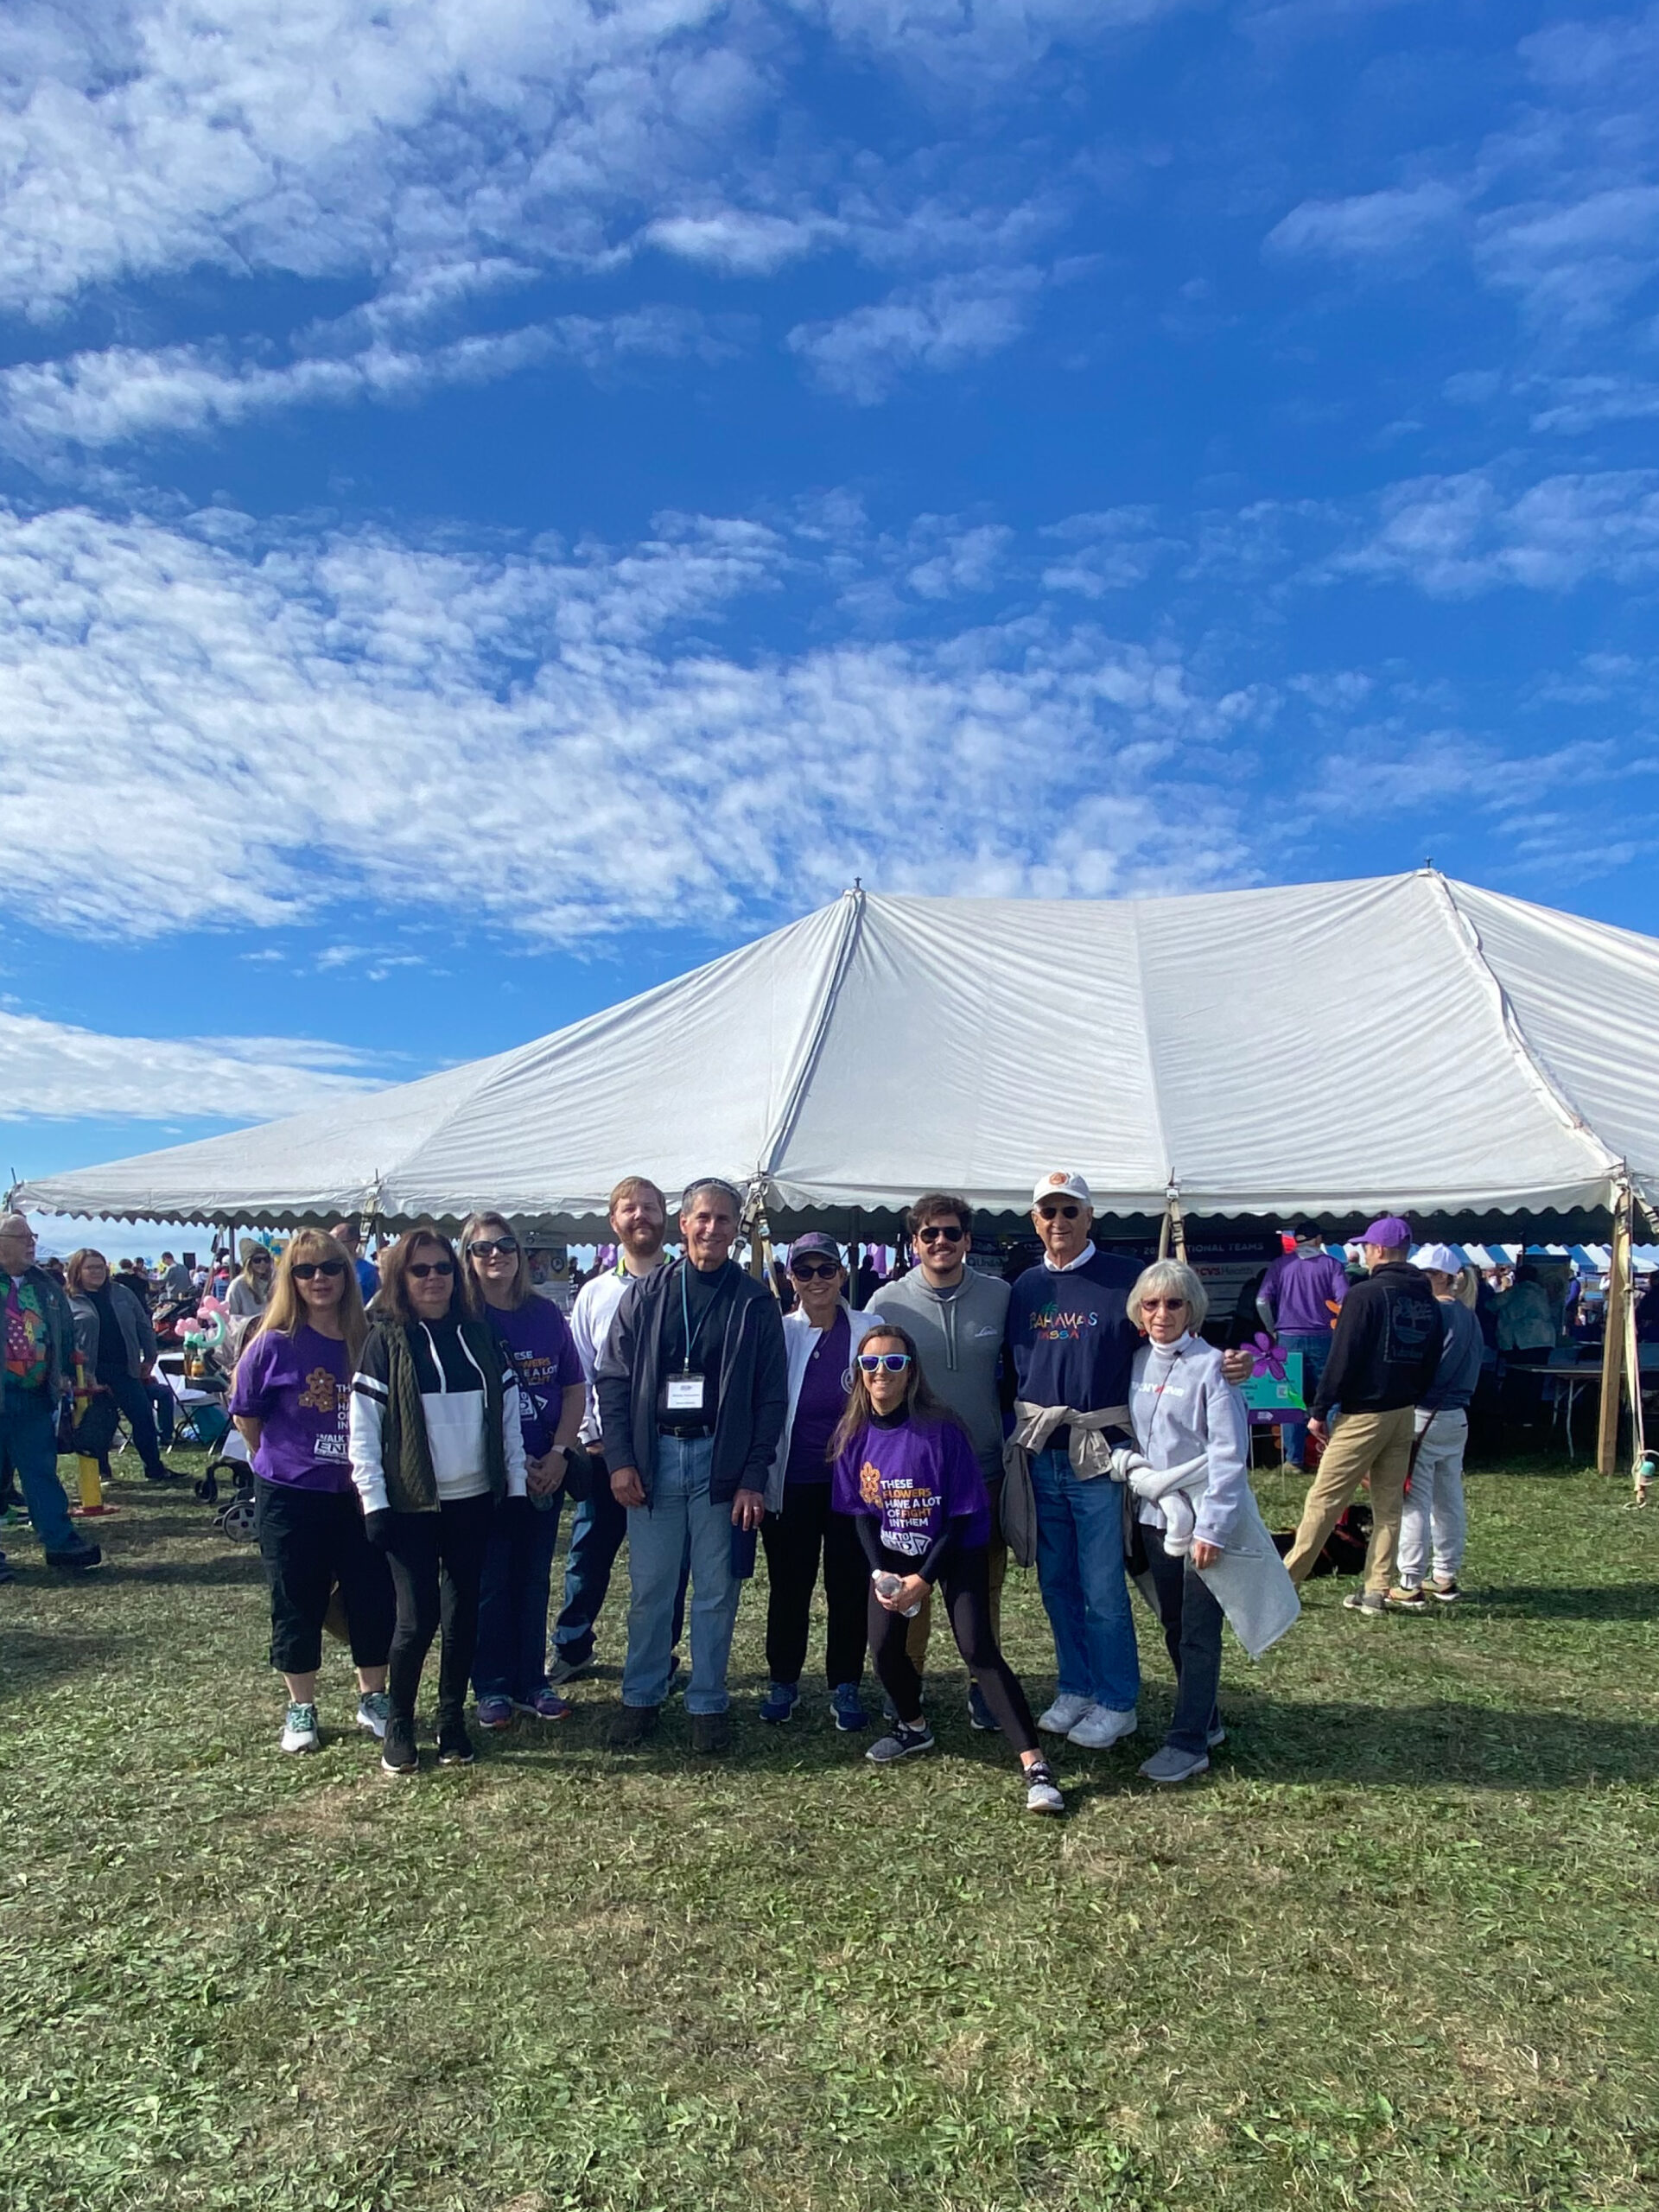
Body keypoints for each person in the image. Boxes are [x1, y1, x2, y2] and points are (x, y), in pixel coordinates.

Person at [831, 1322, 1064, 1816]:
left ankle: (1035, 1766)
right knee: (884, 1650)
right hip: (894, 1556)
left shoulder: (941, 1429)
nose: (880, 1372)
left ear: (911, 1371)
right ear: (859, 1372)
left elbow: (960, 1517)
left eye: (893, 1362)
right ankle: (913, 1727)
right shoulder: (853, 1434)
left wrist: (924, 1580)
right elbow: (860, 1515)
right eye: (870, 1363)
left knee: (977, 1647)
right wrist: (880, 1575)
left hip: (955, 1549)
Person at [596, 1177, 787, 1753]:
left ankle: (707, 1702)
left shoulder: (753, 1301)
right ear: (682, 1224)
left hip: (719, 1463)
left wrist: (753, 1477)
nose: (712, 1228)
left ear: (736, 1229)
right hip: (654, 1458)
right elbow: (613, 1380)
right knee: (651, 1590)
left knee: (716, 1592)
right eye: (702, 1217)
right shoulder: (646, 1294)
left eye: (724, 1219)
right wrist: (620, 1460)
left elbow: (771, 1398)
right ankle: (641, 1696)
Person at [348, 1226, 529, 1777]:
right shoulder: (385, 1341)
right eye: (420, 1270)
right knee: (416, 1619)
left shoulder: (479, 1334)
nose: (433, 1279)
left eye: (443, 1268)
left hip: (473, 1498)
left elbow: (508, 1418)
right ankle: (400, 1723)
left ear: (457, 1274)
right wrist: (374, 1502)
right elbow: (363, 1428)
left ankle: (452, 1718)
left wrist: (515, 1488)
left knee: (462, 1613)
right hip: (411, 1503)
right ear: (401, 1278)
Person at [229, 1230, 395, 1752]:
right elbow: (246, 1415)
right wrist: (284, 1461)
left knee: (372, 1594)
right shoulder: (272, 1343)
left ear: (348, 1274)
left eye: (330, 1267)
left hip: (359, 1491)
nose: (319, 1278)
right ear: (290, 1280)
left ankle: (374, 1696)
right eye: (305, 1270)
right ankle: (301, 1707)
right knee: (295, 1598)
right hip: (291, 1494)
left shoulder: (370, 1339)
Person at [1003, 1172, 1145, 1751]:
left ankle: (1117, 1700)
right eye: (1048, 1212)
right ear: (1034, 1221)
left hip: (1098, 1456)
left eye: (1069, 1211)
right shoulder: (1025, 1288)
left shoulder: (1126, 1279)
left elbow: (1168, 1342)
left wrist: (1226, 1363)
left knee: (1103, 1587)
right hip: (1043, 1456)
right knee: (1057, 1581)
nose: (1058, 1222)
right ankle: (1076, 1686)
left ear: (1090, 1216)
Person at [872, 1192, 1012, 1732]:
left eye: (951, 1232)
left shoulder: (1000, 1296)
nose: (941, 1242)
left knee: (984, 1584)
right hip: (914, 1476)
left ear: (967, 1240)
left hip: (985, 1467)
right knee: (911, 1587)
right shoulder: (888, 1302)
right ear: (915, 1242)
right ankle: (908, 1684)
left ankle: (984, 1684)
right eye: (929, 1234)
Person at [553, 1176, 684, 1686]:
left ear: (666, 1217)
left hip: (671, 1447)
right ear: (614, 1222)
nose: (640, 1216)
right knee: (589, 1551)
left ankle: (659, 1654)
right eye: (629, 1209)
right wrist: (591, 1436)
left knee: (668, 1562)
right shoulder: (595, 1293)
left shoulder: (685, 1286)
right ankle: (572, 1645)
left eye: (649, 1207)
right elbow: (581, 1372)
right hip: (607, 1449)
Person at [1126, 1260, 1253, 1784]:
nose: (1162, 1314)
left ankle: (1188, 1743)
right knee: (1174, 1625)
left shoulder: (1213, 1368)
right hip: (1155, 1517)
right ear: (1139, 1310)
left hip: (1201, 1520)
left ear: (1192, 1309)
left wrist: (1213, 1528)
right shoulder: (1137, 1361)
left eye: (1174, 1303)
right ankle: (1207, 1718)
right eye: (1152, 1303)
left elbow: (1229, 1454)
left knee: (1200, 1632)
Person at [460, 1210, 587, 1727]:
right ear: (468, 1258)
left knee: (534, 1578)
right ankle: (491, 1685)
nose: (496, 1255)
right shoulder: (462, 1319)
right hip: (487, 1473)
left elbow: (573, 1388)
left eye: (505, 1246)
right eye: (483, 1248)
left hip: (544, 1471)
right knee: (491, 1580)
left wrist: (559, 1453)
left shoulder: (545, 1314)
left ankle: (532, 1680)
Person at [756, 1234, 887, 1730]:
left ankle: (845, 1683)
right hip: (792, 1480)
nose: (816, 1280)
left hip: (853, 1486)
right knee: (789, 1585)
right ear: (790, 1279)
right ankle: (783, 1679)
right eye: (804, 1271)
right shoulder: (780, 1332)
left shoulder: (869, 1329)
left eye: (826, 1270)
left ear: (842, 1275)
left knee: (849, 1586)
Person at [1281, 1216, 1443, 1616]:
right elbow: (1433, 1357)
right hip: (1403, 1410)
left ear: (1379, 1250)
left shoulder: (1365, 1294)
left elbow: (1343, 1356)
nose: (1365, 1253)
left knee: (1324, 1499)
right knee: (1389, 1505)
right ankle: (1376, 1588)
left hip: (1364, 1412)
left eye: (1367, 1247)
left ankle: (1285, 1583)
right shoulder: (1426, 1296)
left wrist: (1320, 1409)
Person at [0, 1212, 101, 1574]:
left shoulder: (44, 1285)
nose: (31, 1243)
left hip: (33, 1395)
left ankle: (60, 1542)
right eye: (22, 1237)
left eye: (33, 1236)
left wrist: (65, 1371)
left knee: (41, 1470)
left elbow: (64, 1333)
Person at [1388, 1245, 1484, 1611]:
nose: (1418, 1280)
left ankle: (1410, 1580)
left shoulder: (1433, 1315)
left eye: (1424, 1274)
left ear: (1442, 1277)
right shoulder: (1469, 1316)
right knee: (1448, 1499)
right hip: (1456, 1415)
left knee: (1415, 1500)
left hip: (1425, 1413)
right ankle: (1445, 1574)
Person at [63, 1248, 185, 1484]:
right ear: (78, 1271)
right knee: (100, 1422)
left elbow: (143, 1325)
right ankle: (102, 1471)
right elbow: (63, 1339)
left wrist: (150, 1357)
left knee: (143, 1418)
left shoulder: (121, 1293)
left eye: (100, 1267)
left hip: (125, 1368)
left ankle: (154, 1468)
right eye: (90, 1267)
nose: (97, 1272)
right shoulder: (69, 1300)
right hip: (90, 1373)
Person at [1255, 1224, 1348, 1471]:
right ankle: (1335, 1457)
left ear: (1296, 1241)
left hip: (1287, 1338)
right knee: (1329, 1398)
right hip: (1324, 1338)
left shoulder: (1280, 1265)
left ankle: (1293, 1460)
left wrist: (1272, 1329)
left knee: (1291, 1399)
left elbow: (1262, 1300)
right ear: (1318, 1239)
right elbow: (1345, 1301)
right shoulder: (1332, 1266)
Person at [330, 1220, 381, 1305]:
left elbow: (378, 1300)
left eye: (336, 1242)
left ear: (353, 1243)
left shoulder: (369, 1272)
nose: (331, 1246)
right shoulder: (327, 1269)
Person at [226, 1242, 276, 1320]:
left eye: (266, 1259)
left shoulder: (274, 1281)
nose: (263, 1263)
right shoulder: (238, 1285)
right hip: (246, 1326)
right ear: (248, 1263)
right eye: (257, 1260)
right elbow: (231, 1316)